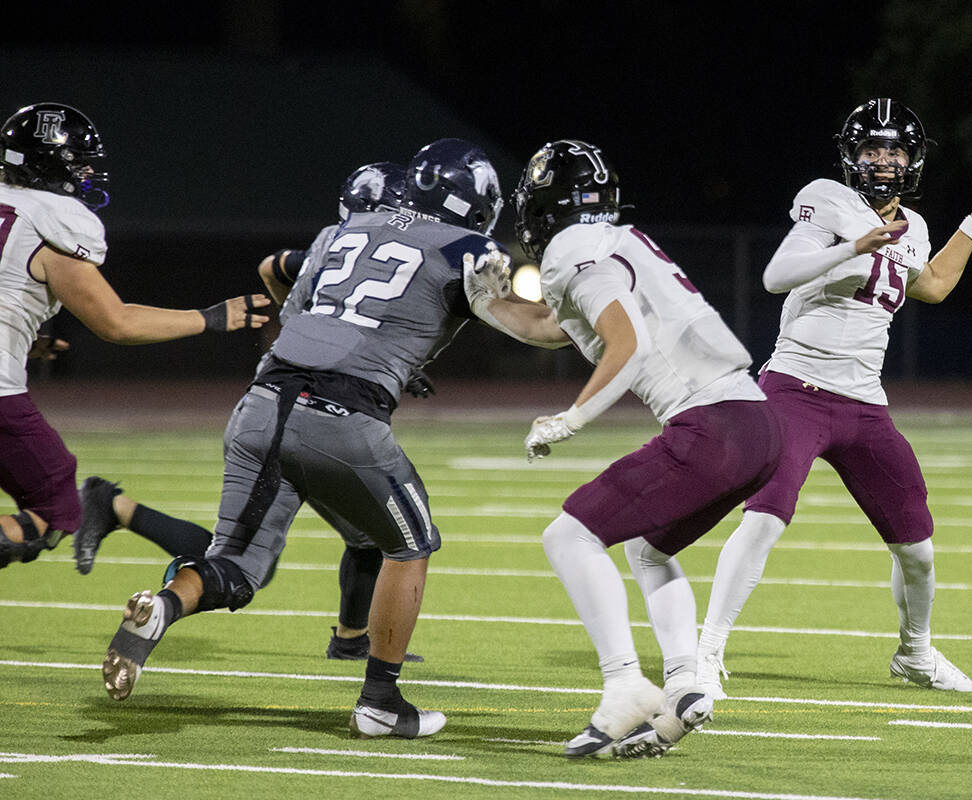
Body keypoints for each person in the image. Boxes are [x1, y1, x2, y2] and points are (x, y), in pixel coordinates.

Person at [100, 138, 564, 741]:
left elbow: (299, 317)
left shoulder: (339, 232)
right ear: (477, 203)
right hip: (343, 416)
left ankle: (162, 605)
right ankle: (380, 703)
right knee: (410, 544)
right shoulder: (468, 248)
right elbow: (541, 330)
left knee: (236, 565)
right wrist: (597, 303)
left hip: (260, 404)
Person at [475, 139, 782, 759]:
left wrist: (571, 417)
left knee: (568, 536)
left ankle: (623, 684)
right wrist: (486, 302)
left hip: (711, 424)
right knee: (649, 549)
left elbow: (628, 343)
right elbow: (555, 326)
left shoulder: (568, 249)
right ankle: (685, 687)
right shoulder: (617, 241)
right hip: (756, 425)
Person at [696, 98, 972, 700]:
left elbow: (934, 285)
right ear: (850, 156)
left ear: (912, 160)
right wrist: (853, 246)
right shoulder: (828, 201)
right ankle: (705, 654)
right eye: (871, 149)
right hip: (796, 390)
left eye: (894, 151)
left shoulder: (912, 227)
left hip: (865, 404)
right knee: (764, 520)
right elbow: (776, 275)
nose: (883, 161)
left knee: (917, 546)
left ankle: (914, 654)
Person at [74, 162, 424, 662]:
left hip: (273, 403)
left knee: (327, 541)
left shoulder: (331, 248)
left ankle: (349, 639)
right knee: (248, 558)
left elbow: (273, 265)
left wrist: (299, 319)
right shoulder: (391, 253)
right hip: (321, 412)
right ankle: (118, 516)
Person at [0, 101, 268, 570]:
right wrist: (209, 318)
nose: (86, 172)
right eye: (77, 162)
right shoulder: (50, 219)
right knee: (53, 504)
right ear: (49, 164)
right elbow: (116, 323)